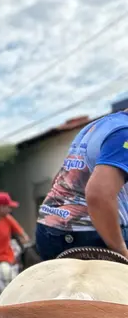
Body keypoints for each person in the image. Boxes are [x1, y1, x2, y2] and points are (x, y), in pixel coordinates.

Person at [36, 110, 128, 260]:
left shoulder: (96, 127)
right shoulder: (125, 133)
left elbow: (59, 180)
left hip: (48, 229)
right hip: (90, 234)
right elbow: (98, 195)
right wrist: (121, 251)